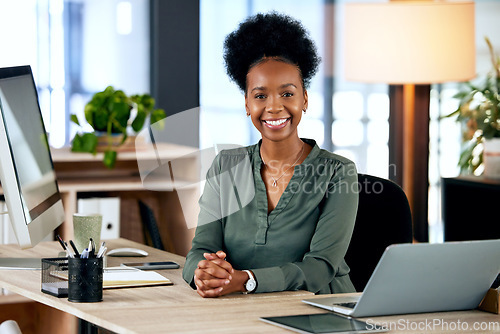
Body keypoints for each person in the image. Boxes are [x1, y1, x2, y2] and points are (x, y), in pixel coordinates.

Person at [182, 12, 358, 298]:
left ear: (305, 99)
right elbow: (200, 250)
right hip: (242, 312)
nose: (274, 107)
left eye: (287, 94)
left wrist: (246, 280)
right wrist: (202, 273)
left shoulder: (338, 172)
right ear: (247, 103)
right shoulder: (227, 166)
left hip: (321, 311)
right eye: (261, 96)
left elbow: (320, 267)